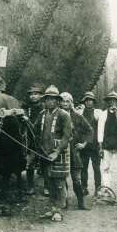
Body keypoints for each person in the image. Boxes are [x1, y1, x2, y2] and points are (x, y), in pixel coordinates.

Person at [33, 86, 72, 222]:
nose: (49, 102)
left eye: (53, 99)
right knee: (49, 182)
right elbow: (35, 129)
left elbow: (67, 136)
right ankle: (53, 208)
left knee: (59, 183)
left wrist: (57, 152)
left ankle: (60, 210)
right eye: (47, 99)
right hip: (44, 152)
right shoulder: (42, 114)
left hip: (58, 153)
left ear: (57, 101)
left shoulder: (63, 115)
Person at [59, 92, 93, 210]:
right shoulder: (57, 115)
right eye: (63, 101)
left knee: (76, 179)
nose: (65, 103)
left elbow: (89, 130)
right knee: (62, 179)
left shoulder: (77, 116)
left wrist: (83, 144)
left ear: (71, 103)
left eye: (67, 101)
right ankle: (64, 202)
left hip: (73, 152)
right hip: (61, 152)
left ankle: (81, 203)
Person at [97, 91, 117, 201]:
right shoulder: (103, 114)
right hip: (107, 145)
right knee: (105, 168)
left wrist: (116, 113)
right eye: (110, 101)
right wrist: (100, 147)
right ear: (107, 102)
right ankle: (106, 190)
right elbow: (100, 131)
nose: (112, 103)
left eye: (114, 100)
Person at [76, 91, 102, 196]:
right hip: (84, 145)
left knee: (96, 168)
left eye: (91, 100)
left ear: (94, 102)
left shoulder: (98, 112)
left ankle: (98, 189)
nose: (89, 103)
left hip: (94, 145)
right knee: (83, 167)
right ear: (84, 102)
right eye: (87, 100)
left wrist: (100, 146)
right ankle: (84, 188)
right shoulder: (80, 112)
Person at [25, 83, 47, 196]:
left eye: (36, 94)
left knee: (45, 163)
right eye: (31, 94)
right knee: (29, 164)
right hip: (31, 139)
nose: (33, 96)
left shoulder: (45, 107)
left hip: (43, 138)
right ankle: (31, 186)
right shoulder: (27, 107)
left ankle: (47, 187)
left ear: (40, 96)